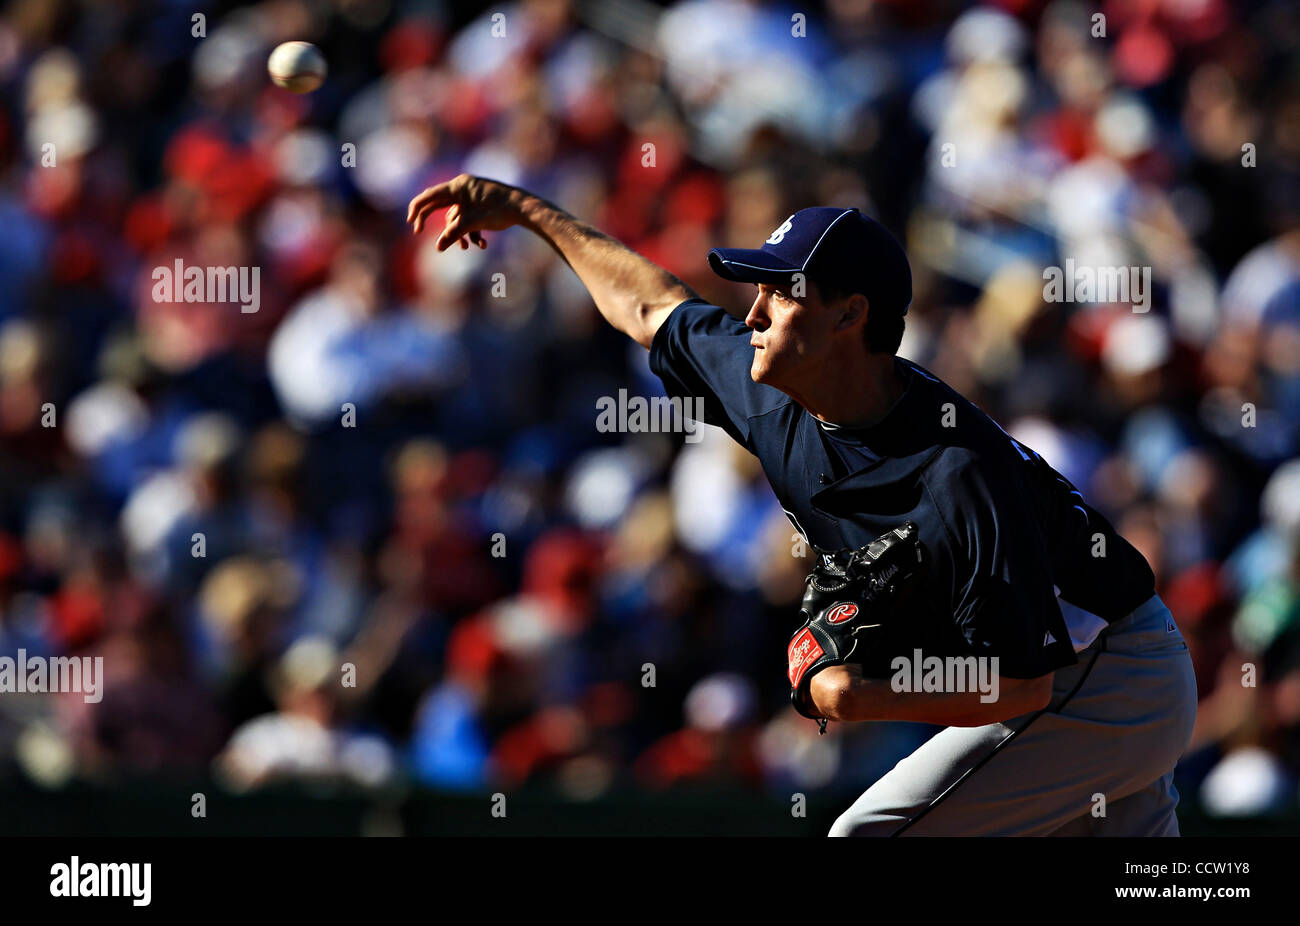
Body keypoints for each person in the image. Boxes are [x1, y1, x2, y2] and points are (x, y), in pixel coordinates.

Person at [407, 174, 1199, 836]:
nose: (751, 314)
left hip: (1103, 673)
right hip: (1080, 673)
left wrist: (858, 695)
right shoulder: (778, 391)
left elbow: (1022, 684)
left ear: (850, 316)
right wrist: (528, 212)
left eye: (779, 293)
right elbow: (650, 308)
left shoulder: (955, 474)